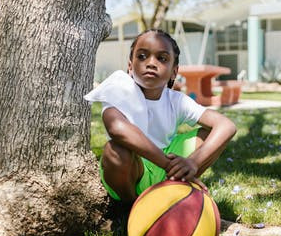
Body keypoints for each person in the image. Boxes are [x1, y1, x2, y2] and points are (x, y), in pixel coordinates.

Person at [84, 29, 237, 203]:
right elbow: (117, 129)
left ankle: (175, 189)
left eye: (162, 58)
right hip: (133, 171)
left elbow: (227, 126)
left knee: (211, 134)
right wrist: (166, 163)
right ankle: (132, 207)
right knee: (116, 150)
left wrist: (193, 162)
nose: (151, 63)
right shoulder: (119, 90)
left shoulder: (176, 100)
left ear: (174, 71)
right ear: (130, 66)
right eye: (142, 56)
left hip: (167, 170)